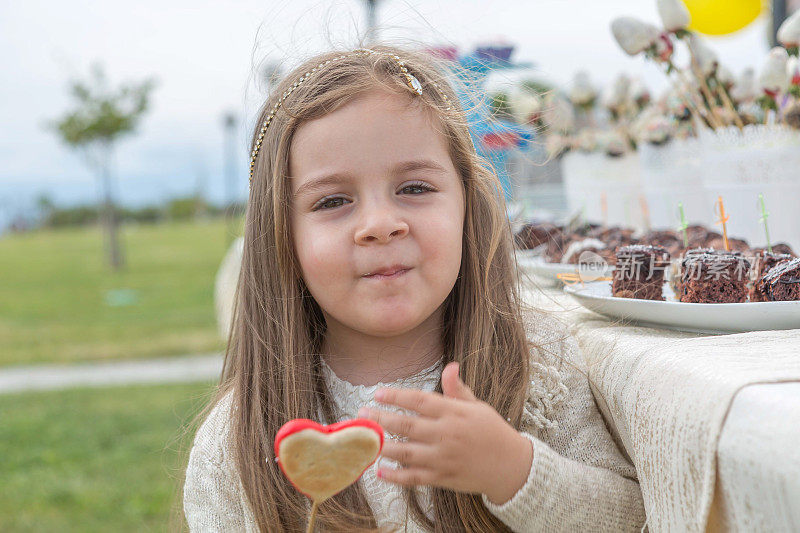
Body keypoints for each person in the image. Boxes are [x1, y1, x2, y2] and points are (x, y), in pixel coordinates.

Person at [183, 44, 647, 532]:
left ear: (468, 206)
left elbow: (634, 519)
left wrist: (514, 472)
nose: (380, 224)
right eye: (334, 200)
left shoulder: (538, 367)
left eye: (414, 188)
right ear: (280, 236)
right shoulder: (235, 443)